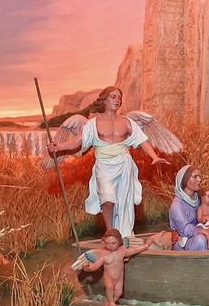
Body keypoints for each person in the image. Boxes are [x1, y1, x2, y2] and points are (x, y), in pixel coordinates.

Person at [47, 86, 168, 236]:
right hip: (104, 166)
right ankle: (111, 232)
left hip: (124, 165)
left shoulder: (127, 122)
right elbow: (77, 142)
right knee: (107, 198)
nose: (117, 100)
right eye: (113, 97)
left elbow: (142, 140)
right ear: (104, 100)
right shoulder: (93, 123)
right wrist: (58, 147)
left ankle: (124, 235)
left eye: (119, 97)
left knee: (124, 203)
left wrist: (154, 157)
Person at [77, 229, 148, 306]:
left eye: (113, 243)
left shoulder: (122, 250)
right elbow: (96, 265)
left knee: (118, 293)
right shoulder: (103, 254)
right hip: (109, 277)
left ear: (120, 241)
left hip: (119, 278)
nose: (110, 246)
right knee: (110, 287)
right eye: (107, 243)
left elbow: (134, 250)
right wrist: (89, 268)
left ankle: (108, 304)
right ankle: (110, 302)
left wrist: (145, 246)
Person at [168, 164, 209, 251]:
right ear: (185, 180)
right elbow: (185, 229)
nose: (199, 180)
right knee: (200, 240)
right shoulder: (177, 205)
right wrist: (205, 232)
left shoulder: (200, 199)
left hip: (202, 233)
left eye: (199, 176)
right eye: (195, 177)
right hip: (184, 241)